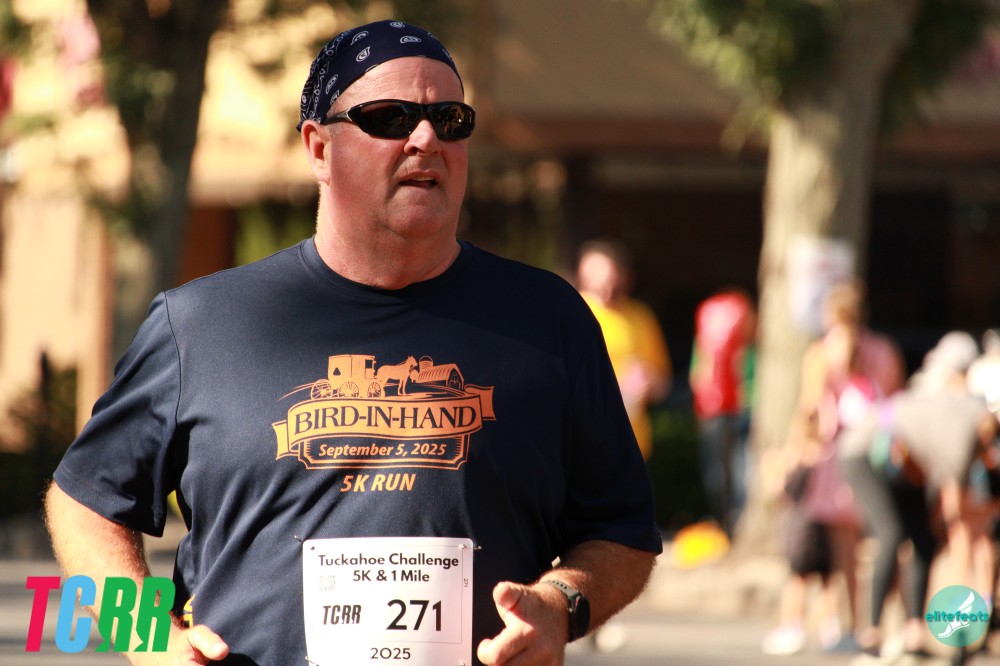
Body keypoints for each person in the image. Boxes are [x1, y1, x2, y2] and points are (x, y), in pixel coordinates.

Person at [43, 20, 662, 666]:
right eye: (390, 118)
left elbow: (622, 532)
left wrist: (560, 604)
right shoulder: (199, 323)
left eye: (450, 120)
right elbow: (83, 504)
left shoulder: (549, 319)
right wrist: (148, 639)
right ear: (319, 148)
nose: (426, 139)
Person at [762, 279, 905, 655]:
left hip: (835, 462)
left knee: (842, 554)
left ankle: (851, 625)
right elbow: (895, 405)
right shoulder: (884, 350)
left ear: (829, 314)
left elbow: (811, 410)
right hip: (875, 458)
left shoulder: (821, 354)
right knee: (880, 545)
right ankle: (881, 625)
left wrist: (791, 452)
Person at [839, 331, 999, 659]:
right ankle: (870, 631)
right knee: (890, 533)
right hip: (865, 453)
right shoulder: (962, 431)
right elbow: (953, 502)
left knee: (923, 539)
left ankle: (913, 632)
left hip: (906, 466)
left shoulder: (969, 418)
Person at [575, 239, 672, 462]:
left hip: (633, 446)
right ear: (582, 275)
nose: (607, 289)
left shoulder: (641, 317)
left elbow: (663, 385)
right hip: (583, 447)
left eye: (611, 280)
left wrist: (647, 381)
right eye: (598, 281)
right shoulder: (571, 315)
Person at [689, 288, 756, 534]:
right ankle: (727, 524)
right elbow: (699, 372)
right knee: (721, 473)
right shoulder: (713, 341)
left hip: (738, 411)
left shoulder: (751, 350)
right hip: (717, 410)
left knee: (741, 472)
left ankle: (736, 523)